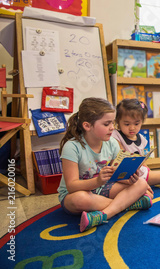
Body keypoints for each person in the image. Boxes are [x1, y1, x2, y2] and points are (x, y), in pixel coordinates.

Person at [58, 97, 152, 233]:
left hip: (102, 189)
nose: (112, 128)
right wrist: (97, 181)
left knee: (141, 183)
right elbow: (72, 186)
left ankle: (104, 215)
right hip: (77, 193)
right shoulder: (72, 147)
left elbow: (116, 175)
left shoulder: (112, 143)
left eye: (112, 123)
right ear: (87, 126)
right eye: (107, 124)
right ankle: (127, 204)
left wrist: (129, 179)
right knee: (80, 199)